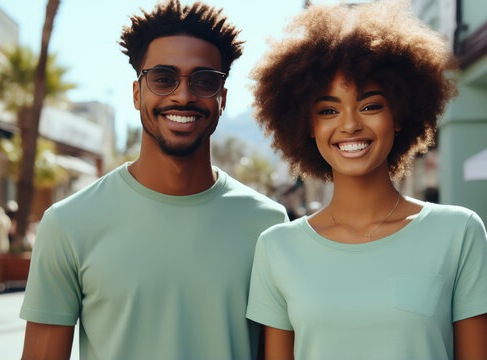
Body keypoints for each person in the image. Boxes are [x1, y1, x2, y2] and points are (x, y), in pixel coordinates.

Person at [245, 1, 487, 359]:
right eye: (328, 110)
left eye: (370, 105)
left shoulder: (458, 232)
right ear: (308, 126)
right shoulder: (276, 248)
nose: (350, 124)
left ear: (399, 114)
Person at [19, 1, 287, 359]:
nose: (183, 95)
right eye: (163, 78)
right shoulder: (68, 224)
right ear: (136, 93)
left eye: (204, 81)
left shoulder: (268, 225)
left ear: (222, 99)